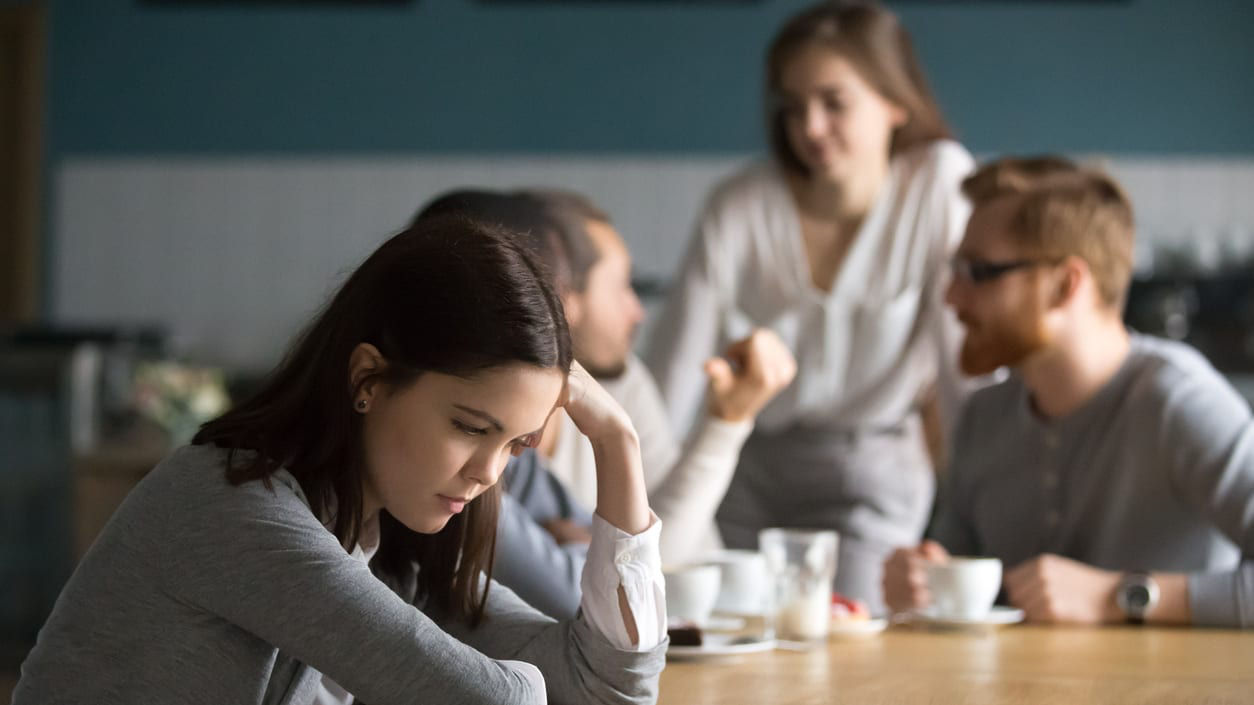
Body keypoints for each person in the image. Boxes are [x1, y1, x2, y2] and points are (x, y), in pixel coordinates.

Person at [13, 216, 667, 704]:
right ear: (368, 380)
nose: (489, 473)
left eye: (517, 445)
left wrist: (617, 441)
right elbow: (496, 700)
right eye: (471, 427)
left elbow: (606, 689)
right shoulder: (232, 505)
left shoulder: (385, 538)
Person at [645, 0, 974, 612]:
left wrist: (972, 527)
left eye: (834, 102)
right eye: (793, 107)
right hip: (747, 474)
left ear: (896, 102)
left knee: (845, 642)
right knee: (727, 634)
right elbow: (668, 383)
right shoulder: (738, 205)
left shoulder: (939, 184)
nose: (810, 128)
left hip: (870, 476)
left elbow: (963, 380)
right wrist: (625, 511)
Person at [883, 156, 1254, 629]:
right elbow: (959, 569)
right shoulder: (984, 415)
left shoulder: (1178, 402)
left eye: (977, 271)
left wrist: (1122, 597)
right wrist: (922, 581)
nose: (951, 297)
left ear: (1065, 285)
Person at [412, 190, 795, 619]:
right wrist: (594, 551)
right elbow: (613, 595)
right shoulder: (467, 465)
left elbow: (668, 565)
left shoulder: (620, 385)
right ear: (558, 297)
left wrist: (590, 550)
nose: (638, 311)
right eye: (620, 286)